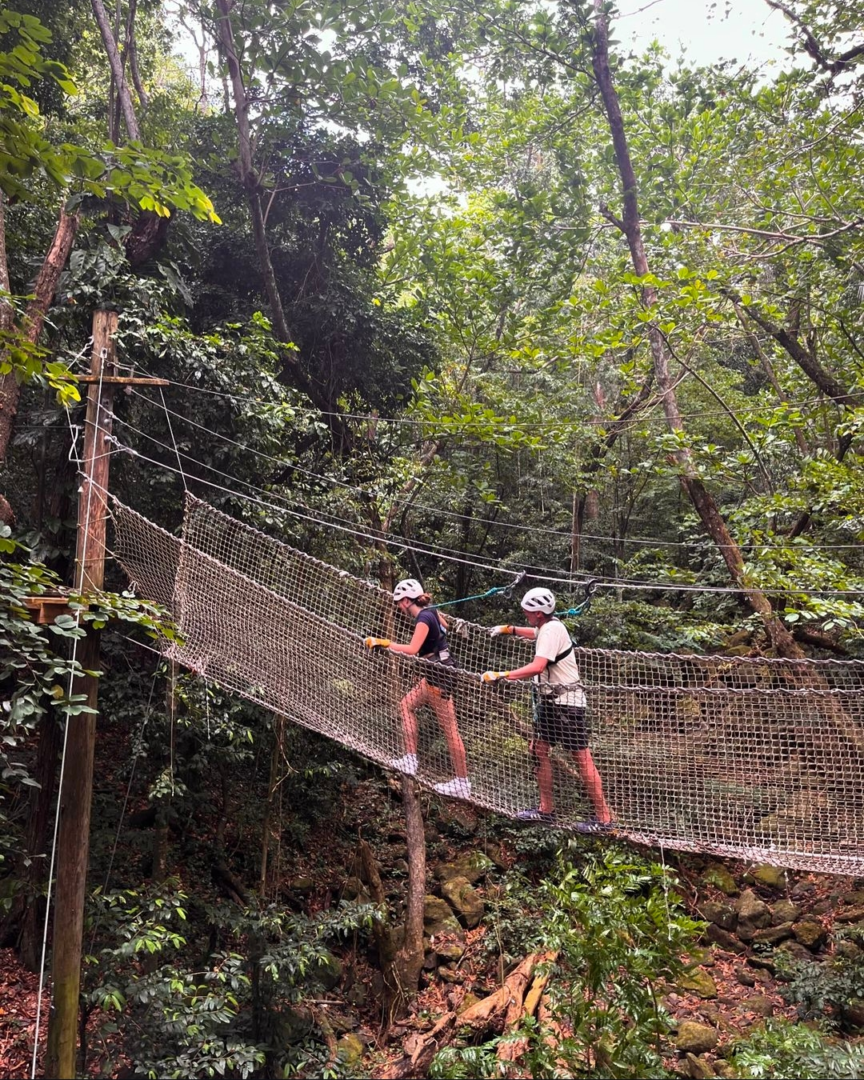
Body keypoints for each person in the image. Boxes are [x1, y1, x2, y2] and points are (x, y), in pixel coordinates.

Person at [481, 587, 613, 831]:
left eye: (528, 611)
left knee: (582, 759)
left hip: (567, 705)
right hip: (551, 704)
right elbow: (535, 633)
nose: (525, 613)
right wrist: (510, 629)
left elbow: (537, 666)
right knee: (538, 749)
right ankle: (546, 810)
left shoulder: (552, 629)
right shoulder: (547, 627)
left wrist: (503, 675)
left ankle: (604, 818)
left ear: (539, 613)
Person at [364, 578, 471, 798]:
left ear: (405, 601)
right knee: (406, 705)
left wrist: (384, 643)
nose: (398, 608)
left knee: (450, 729)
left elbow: (412, 649)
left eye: (398, 603)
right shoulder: (431, 610)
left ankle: (462, 782)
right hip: (438, 670)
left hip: (439, 675)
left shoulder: (423, 616)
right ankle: (410, 760)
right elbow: (445, 627)